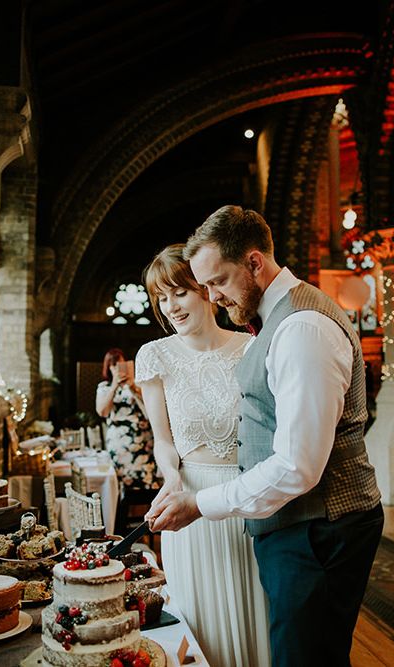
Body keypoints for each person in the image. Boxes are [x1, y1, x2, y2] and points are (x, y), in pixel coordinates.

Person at [146, 205, 384, 667]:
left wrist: (200, 504)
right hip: (295, 522)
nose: (213, 297)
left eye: (217, 282)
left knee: (305, 657)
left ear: (254, 263)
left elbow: (298, 465)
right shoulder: (279, 319)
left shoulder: (302, 328)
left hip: (320, 527)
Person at [135, 244, 269, 667]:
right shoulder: (155, 356)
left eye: (179, 292)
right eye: (161, 297)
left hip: (246, 496)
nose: (170, 306)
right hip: (188, 502)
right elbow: (163, 440)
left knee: (254, 616)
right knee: (202, 625)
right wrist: (170, 477)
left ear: (206, 290)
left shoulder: (250, 347)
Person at [95, 348, 159, 491]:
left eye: (121, 365)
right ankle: (121, 511)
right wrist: (114, 386)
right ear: (109, 368)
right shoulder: (104, 388)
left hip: (142, 440)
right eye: (114, 365)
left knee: (146, 480)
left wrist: (133, 389)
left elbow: (150, 412)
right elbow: (102, 412)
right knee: (120, 483)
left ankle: (148, 512)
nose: (118, 369)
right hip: (119, 442)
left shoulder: (139, 386)